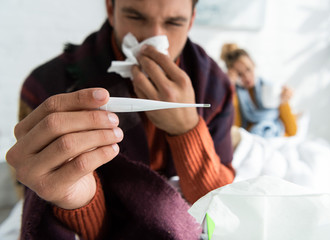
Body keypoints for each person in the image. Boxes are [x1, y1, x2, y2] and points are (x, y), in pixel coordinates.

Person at [5, 0, 235, 239]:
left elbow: (222, 207)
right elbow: (38, 196)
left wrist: (186, 131)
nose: (153, 39)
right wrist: (75, 198)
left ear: (191, 21)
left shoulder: (215, 86)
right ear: (110, 10)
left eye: (174, 22)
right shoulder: (49, 85)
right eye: (136, 17)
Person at [221, 43, 297, 139]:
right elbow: (235, 129)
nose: (247, 77)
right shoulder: (234, 96)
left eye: (248, 69)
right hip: (253, 142)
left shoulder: (271, 89)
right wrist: (230, 89)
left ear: (253, 64)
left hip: (277, 139)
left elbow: (292, 131)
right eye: (240, 74)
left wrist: (284, 102)